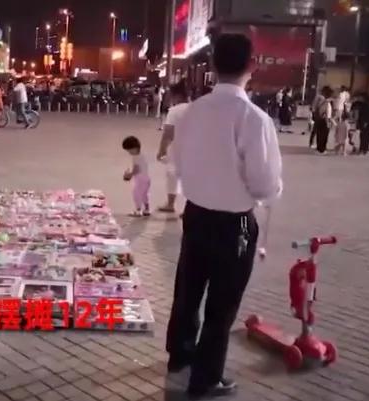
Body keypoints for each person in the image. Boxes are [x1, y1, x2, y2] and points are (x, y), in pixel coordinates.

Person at [167, 33, 282, 399]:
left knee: (188, 290)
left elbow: (176, 163)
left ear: (213, 65)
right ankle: (206, 378)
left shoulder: (191, 112)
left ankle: (180, 354)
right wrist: (270, 192)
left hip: (196, 215)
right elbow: (264, 184)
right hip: (234, 224)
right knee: (222, 304)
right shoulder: (254, 119)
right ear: (252, 65)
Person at [156, 81, 189, 213]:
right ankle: (188, 208)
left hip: (177, 148)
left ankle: (170, 204)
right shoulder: (196, 108)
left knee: (172, 175)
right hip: (194, 148)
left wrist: (161, 150)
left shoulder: (174, 111)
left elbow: (168, 134)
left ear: (177, 96)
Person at [121, 136, 151, 217]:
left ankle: (138, 210)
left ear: (135, 148)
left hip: (140, 179)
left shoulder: (136, 157)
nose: (129, 153)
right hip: (146, 178)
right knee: (145, 194)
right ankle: (147, 209)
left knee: (136, 194)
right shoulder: (142, 155)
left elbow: (137, 169)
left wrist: (129, 174)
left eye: (129, 150)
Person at [313, 86, 334, 154]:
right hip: (324, 120)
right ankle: (321, 149)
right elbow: (324, 112)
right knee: (323, 135)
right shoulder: (325, 101)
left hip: (321, 119)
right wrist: (327, 121)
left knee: (320, 134)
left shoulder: (323, 100)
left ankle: (320, 148)